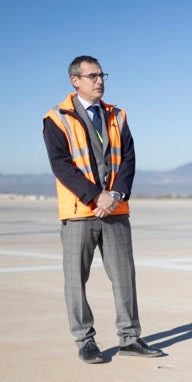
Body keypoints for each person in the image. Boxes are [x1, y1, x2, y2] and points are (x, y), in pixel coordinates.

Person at [43, 55, 163, 363]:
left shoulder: (118, 115)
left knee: (125, 276)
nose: (100, 81)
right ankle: (85, 340)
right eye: (92, 76)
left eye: (102, 75)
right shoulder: (56, 117)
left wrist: (116, 194)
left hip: (116, 210)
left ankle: (130, 338)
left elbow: (129, 159)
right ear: (75, 81)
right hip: (80, 212)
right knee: (75, 280)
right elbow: (62, 166)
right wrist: (96, 197)